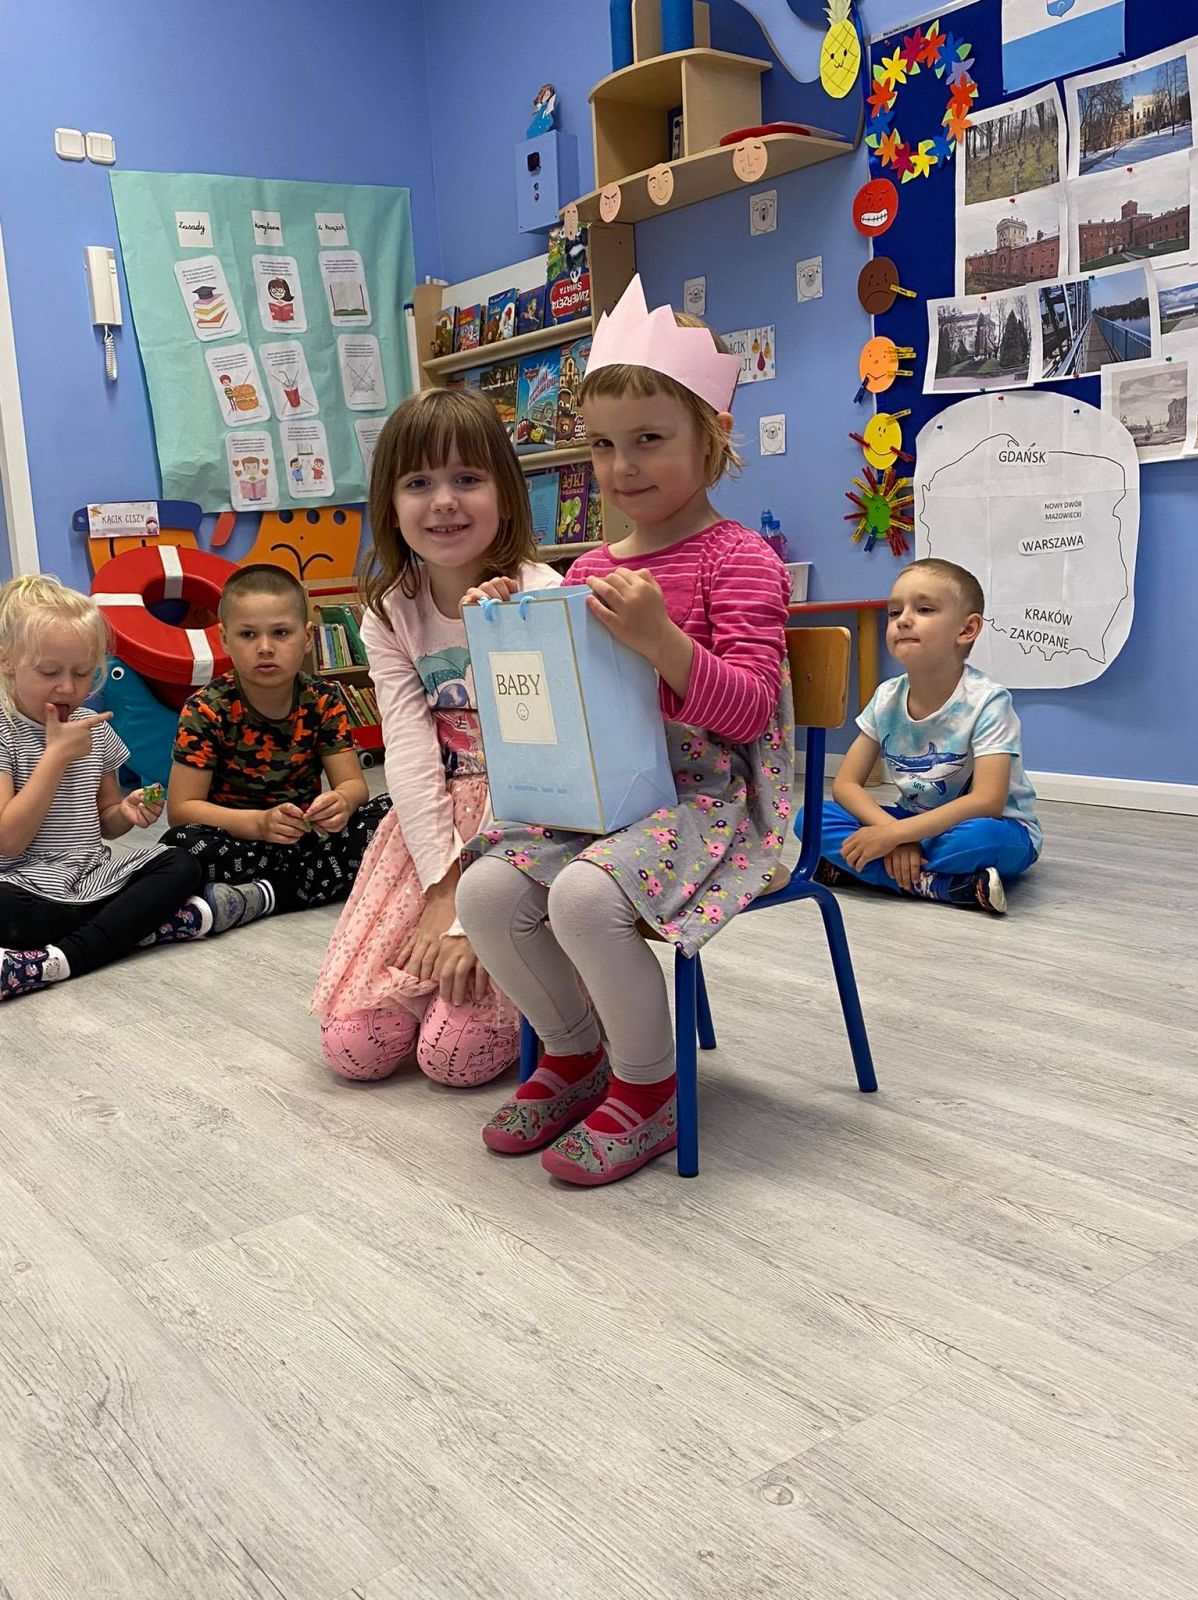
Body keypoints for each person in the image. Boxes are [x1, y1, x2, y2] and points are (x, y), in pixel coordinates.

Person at [455, 275, 793, 1186]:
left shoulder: (741, 560)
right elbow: (562, 706)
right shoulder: (589, 568)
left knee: (582, 898)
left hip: (712, 803)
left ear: (712, 437)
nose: (622, 466)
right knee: (484, 893)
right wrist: (513, 624)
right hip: (605, 796)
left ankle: (650, 1087)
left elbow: (750, 713)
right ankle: (575, 1056)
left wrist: (662, 640)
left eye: (649, 439)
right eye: (603, 445)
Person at [312, 388, 560, 1086]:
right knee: (354, 1046)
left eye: (467, 478)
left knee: (454, 1058)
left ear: (505, 493)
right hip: (432, 830)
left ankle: (535, 1004)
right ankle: (427, 995)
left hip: (530, 828)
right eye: (418, 482)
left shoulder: (540, 592)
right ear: (391, 504)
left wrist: (470, 915)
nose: (443, 501)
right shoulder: (392, 610)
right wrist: (443, 890)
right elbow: (412, 755)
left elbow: (539, 763)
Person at [0, 575, 211, 1002]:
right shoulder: (5, 731)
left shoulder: (95, 730)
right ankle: (136, 928)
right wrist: (55, 757)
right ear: (7, 661)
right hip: (22, 885)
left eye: (82, 673)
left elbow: (108, 823)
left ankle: (60, 958)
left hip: (91, 877)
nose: (67, 687)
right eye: (49, 672)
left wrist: (127, 812)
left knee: (182, 862)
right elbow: (8, 841)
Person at [162, 564, 389, 922]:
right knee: (180, 847)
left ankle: (261, 895)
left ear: (308, 637)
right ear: (225, 639)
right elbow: (181, 810)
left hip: (306, 837)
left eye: (281, 633)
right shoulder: (205, 708)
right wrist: (260, 824)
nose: (265, 648)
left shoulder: (324, 698)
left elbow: (352, 784)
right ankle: (294, 887)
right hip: (236, 841)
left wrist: (341, 803)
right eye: (248, 634)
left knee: (393, 811)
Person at [813, 558, 1041, 914]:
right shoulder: (886, 697)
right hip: (909, 821)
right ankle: (947, 886)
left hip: (995, 826)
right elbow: (845, 785)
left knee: (982, 839)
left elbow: (987, 801)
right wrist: (893, 833)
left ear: (967, 629)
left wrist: (894, 837)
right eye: (894, 612)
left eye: (924, 609)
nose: (903, 619)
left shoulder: (988, 701)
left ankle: (866, 869)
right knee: (811, 818)